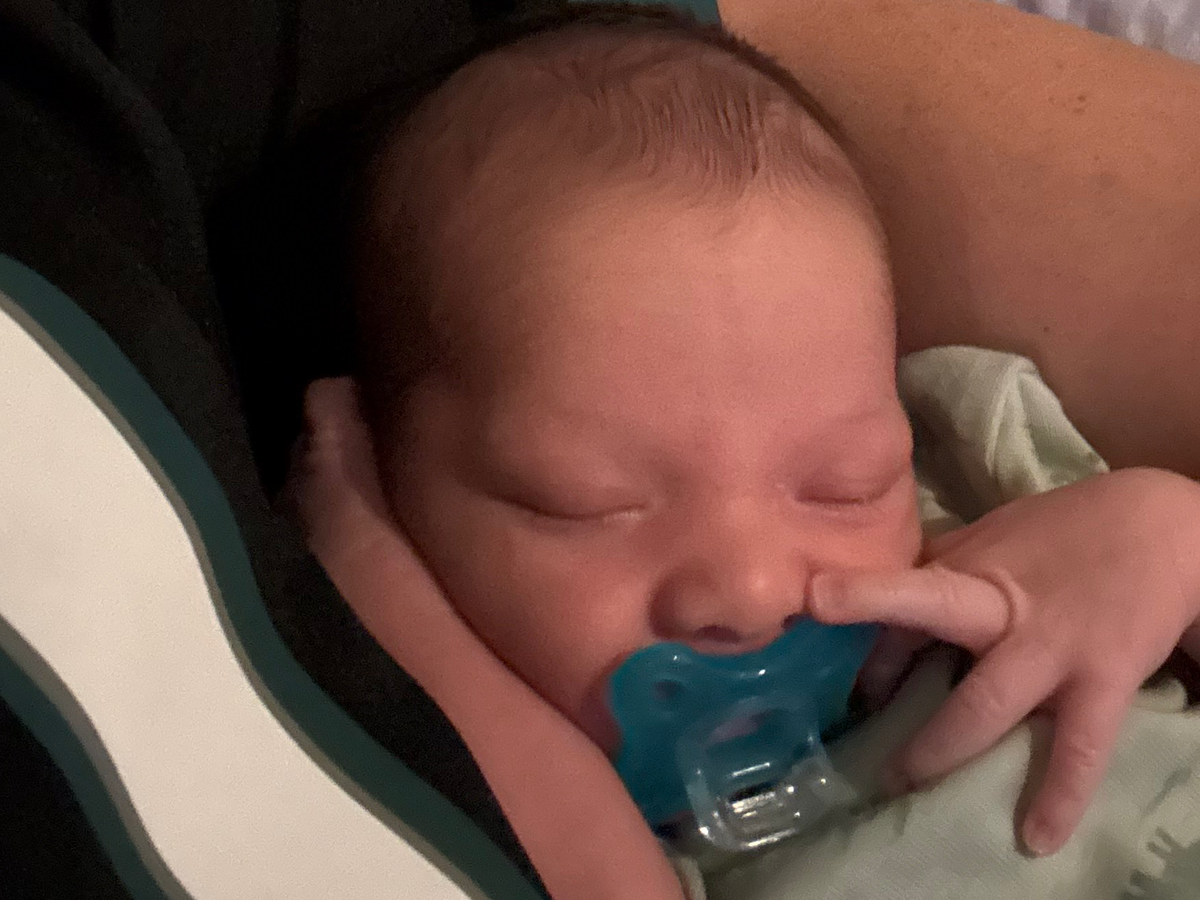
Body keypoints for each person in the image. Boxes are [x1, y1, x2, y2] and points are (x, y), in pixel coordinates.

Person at [289, 5, 1200, 898]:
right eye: (590, 503)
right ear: (398, 482)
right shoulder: (608, 829)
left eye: (845, 486)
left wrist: (1158, 531)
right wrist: (384, 598)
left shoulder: (975, 478)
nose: (754, 591)